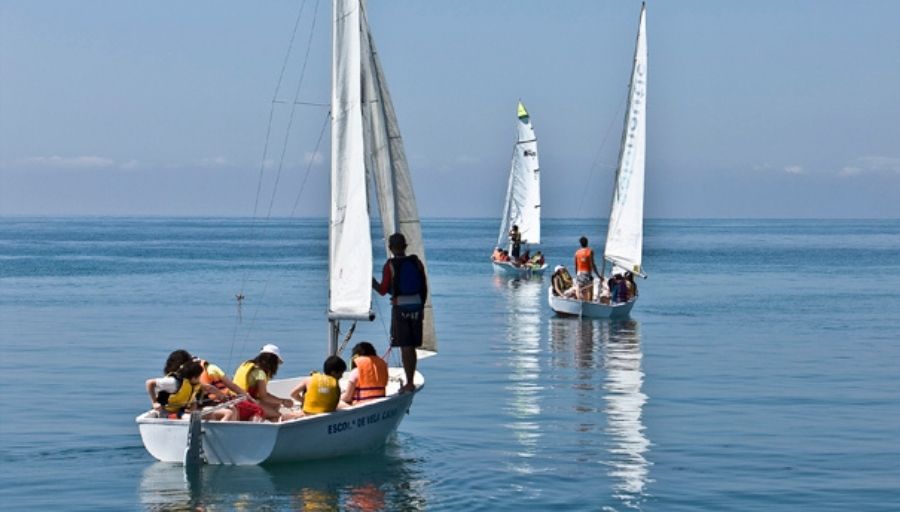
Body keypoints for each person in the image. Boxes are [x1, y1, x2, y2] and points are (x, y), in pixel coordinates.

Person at [372, 233, 427, 394]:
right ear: (405, 246)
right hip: (417, 306)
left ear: (390, 248)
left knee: (405, 347)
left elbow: (382, 291)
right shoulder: (416, 262)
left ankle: (409, 383)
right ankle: (409, 381)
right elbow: (424, 287)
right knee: (412, 347)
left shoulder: (390, 265)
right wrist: (422, 307)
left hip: (400, 309)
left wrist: (371, 282)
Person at [146, 359, 233, 421]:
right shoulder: (174, 383)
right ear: (194, 377)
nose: (200, 379)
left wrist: (222, 396)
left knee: (210, 415)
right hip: (167, 413)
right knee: (192, 420)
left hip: (181, 412)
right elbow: (149, 383)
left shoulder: (193, 384)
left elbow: (209, 388)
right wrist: (154, 402)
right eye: (199, 377)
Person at [233, 344, 294, 421]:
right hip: (244, 403)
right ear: (273, 361)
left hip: (234, 400)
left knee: (276, 404)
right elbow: (264, 397)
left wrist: (280, 402)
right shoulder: (260, 373)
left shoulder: (247, 365)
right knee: (277, 415)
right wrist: (283, 401)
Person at [283, 355, 349, 419]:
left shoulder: (310, 379)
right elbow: (335, 403)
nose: (341, 376)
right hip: (326, 416)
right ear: (333, 372)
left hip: (307, 413)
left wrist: (303, 401)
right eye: (340, 373)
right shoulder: (335, 385)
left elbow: (293, 394)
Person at [199, 358, 265, 422]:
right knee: (258, 410)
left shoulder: (193, 377)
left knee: (232, 409)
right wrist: (250, 398)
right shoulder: (212, 369)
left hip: (212, 403)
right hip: (216, 403)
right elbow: (232, 386)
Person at [574, 236, 600, 301]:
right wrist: (598, 275)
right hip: (587, 273)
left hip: (579, 273)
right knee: (589, 288)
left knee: (578, 288)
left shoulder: (577, 253)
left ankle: (579, 301)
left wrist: (576, 274)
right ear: (587, 242)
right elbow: (593, 265)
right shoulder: (590, 251)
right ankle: (589, 303)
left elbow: (575, 266)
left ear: (580, 243)